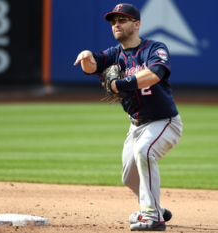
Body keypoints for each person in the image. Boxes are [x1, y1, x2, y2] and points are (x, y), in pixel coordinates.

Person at [73, 3, 183, 231]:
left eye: (122, 20)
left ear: (136, 24)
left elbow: (153, 75)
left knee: (144, 151)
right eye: (114, 22)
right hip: (136, 125)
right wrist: (85, 57)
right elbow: (90, 66)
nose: (117, 25)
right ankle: (156, 208)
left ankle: (153, 217)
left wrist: (118, 84)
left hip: (164, 122)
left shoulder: (155, 48)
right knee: (129, 177)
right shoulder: (114, 54)